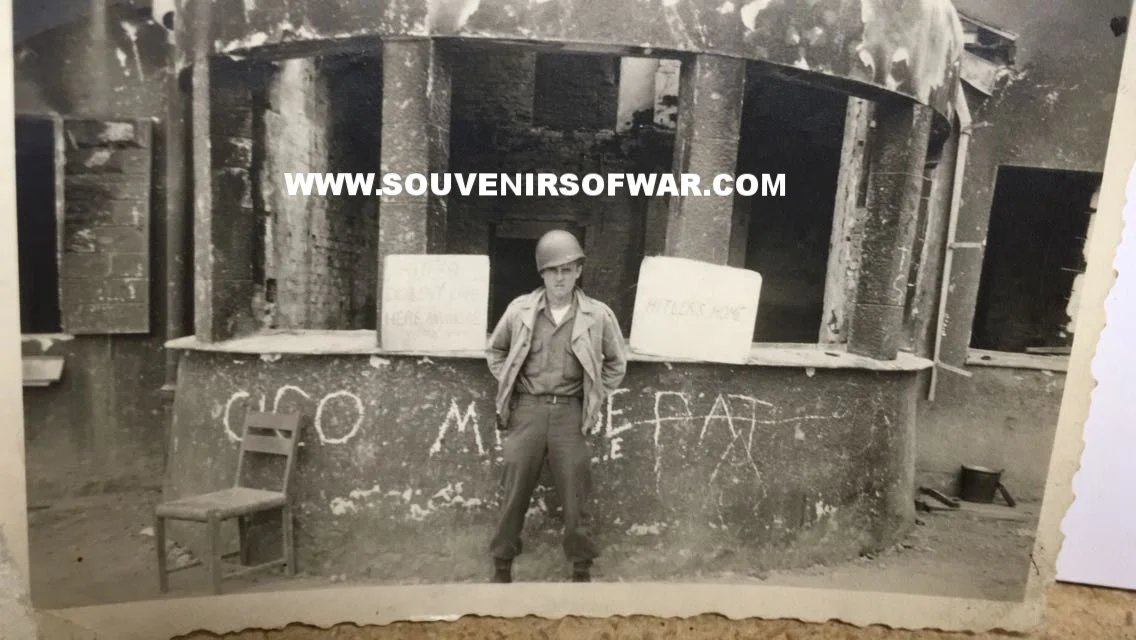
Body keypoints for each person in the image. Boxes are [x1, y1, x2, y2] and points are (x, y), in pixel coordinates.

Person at [485, 229, 628, 583]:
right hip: (528, 411)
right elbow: (496, 350)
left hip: (570, 414)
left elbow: (616, 363)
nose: (560, 278)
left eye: (567, 269)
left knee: (576, 492)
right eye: (553, 271)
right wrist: (511, 384)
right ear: (542, 274)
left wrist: (595, 393)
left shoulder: (598, 316)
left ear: (579, 271)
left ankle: (581, 567)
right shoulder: (520, 311)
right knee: (513, 488)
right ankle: (502, 564)